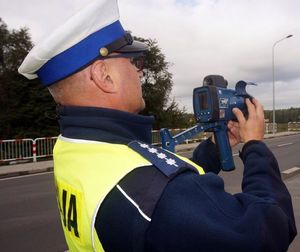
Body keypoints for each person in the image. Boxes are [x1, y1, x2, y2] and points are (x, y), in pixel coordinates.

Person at [19, 0, 297, 251]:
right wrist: (255, 146)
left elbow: (155, 168)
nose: (141, 71)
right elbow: (267, 231)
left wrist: (213, 149)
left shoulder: (72, 148)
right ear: (104, 76)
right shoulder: (156, 196)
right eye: (134, 62)